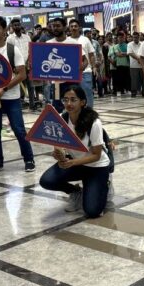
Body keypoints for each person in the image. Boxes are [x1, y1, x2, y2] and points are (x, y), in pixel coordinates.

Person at [38, 85, 110, 218]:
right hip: (76, 164)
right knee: (47, 180)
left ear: (82, 102)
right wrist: (59, 156)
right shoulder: (61, 119)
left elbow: (96, 155)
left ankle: (103, 183)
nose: (68, 104)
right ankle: (76, 192)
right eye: (65, 100)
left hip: (96, 167)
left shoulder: (94, 123)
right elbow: (58, 146)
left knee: (92, 211)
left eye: (73, 100)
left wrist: (73, 162)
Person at [0, 16, 35, 175]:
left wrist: (3, 89)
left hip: (11, 98)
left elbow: (22, 74)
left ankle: (29, 159)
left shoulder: (12, 50)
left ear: (4, 30)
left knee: (19, 129)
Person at [7, 17, 37, 111]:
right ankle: (20, 105)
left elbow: (30, 50)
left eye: (18, 24)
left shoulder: (27, 37)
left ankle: (32, 105)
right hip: (17, 67)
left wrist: (29, 62)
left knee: (31, 86)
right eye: (15, 25)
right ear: (12, 26)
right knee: (19, 87)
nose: (17, 26)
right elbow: (9, 54)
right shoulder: (10, 38)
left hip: (28, 65)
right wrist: (12, 67)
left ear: (21, 25)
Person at [67, 19, 95, 108]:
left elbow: (91, 55)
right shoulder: (67, 41)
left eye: (75, 26)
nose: (74, 28)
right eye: (71, 26)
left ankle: (89, 111)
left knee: (87, 92)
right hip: (72, 73)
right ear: (69, 28)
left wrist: (94, 67)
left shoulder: (85, 39)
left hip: (86, 71)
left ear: (79, 28)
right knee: (74, 94)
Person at [108, 30, 130, 97]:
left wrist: (124, 53)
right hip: (118, 65)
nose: (120, 39)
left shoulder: (127, 45)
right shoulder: (115, 46)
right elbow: (118, 54)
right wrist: (125, 53)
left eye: (122, 37)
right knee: (119, 79)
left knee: (126, 78)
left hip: (126, 64)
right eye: (119, 37)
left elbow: (129, 53)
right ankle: (119, 90)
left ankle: (126, 90)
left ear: (124, 38)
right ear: (117, 38)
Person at [127, 31, 144, 97]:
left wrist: (141, 59)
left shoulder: (142, 44)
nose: (135, 39)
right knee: (134, 80)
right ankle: (134, 92)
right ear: (132, 37)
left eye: (137, 37)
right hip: (133, 65)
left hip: (142, 65)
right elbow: (130, 53)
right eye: (134, 37)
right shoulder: (129, 44)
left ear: (139, 37)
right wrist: (139, 59)